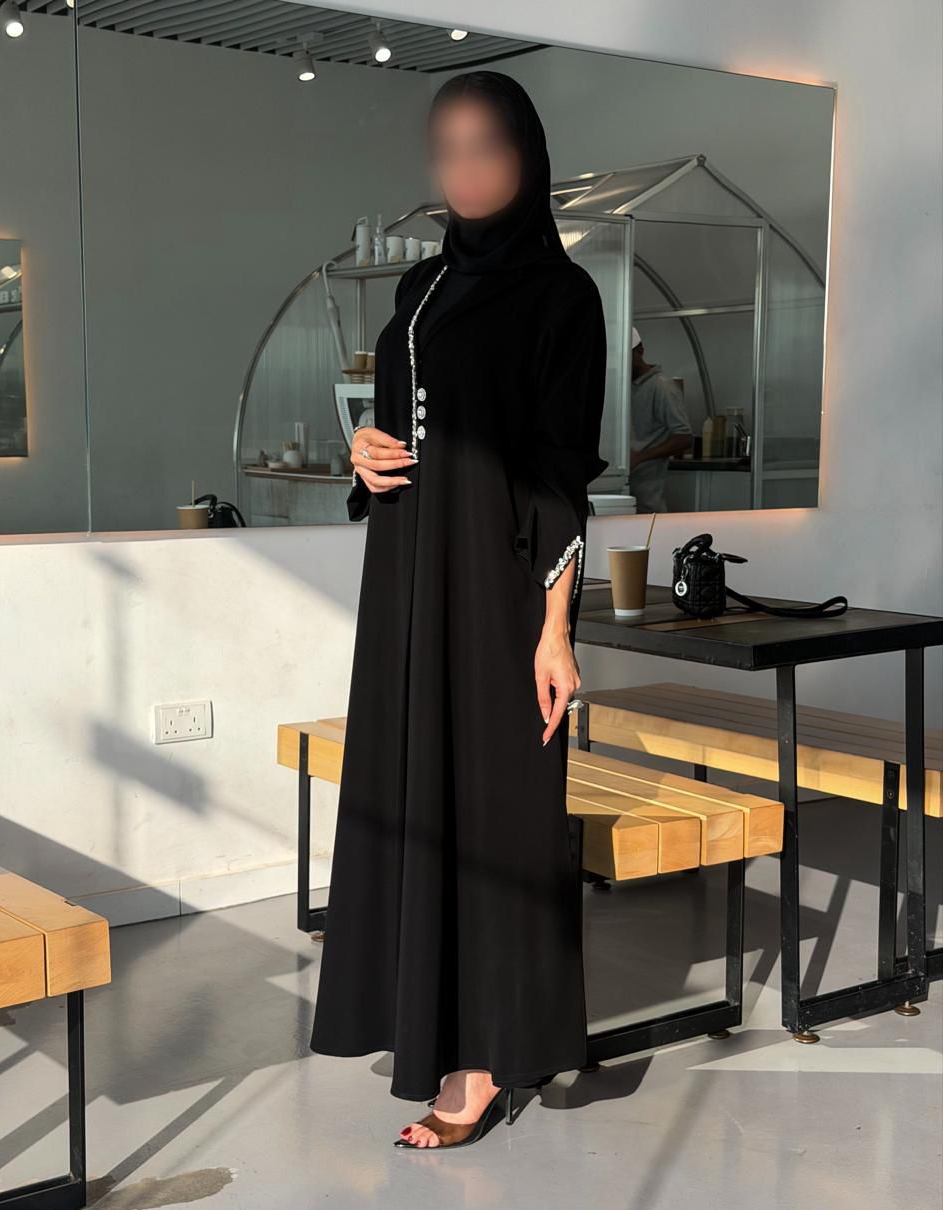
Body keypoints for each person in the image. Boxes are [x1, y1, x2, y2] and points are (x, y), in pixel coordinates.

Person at [309, 71, 607, 1150]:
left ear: (528, 155)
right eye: (448, 152)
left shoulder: (563, 297)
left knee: (498, 816)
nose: (466, 170)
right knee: (418, 801)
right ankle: (428, 1025)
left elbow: (561, 472)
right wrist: (363, 450)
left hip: (497, 586)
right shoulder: (421, 284)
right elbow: (402, 420)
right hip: (406, 577)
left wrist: (555, 630)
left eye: (487, 147)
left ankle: (486, 1060)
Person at [629, 327, 693, 512]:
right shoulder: (622, 386)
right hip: (623, 494)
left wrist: (640, 457)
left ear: (640, 351)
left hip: (647, 498)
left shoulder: (662, 387)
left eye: (626, 357)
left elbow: (684, 438)